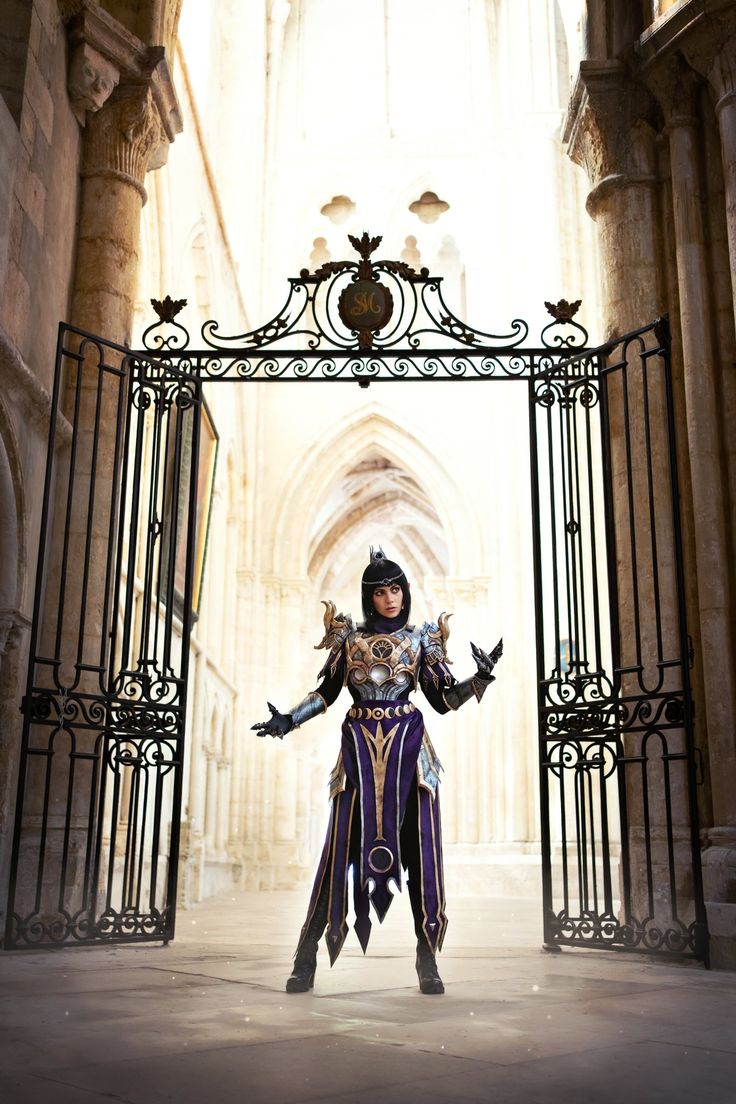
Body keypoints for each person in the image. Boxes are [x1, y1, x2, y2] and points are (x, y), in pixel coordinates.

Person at [252, 547, 502, 995]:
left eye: (397, 589)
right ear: (370, 596)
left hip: (413, 759)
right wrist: (288, 719)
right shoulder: (349, 640)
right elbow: (326, 693)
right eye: (383, 591)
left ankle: (427, 959)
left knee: (421, 855)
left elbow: (442, 700)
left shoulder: (421, 640)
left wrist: (477, 679)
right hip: (358, 758)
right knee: (338, 852)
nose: (392, 598)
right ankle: (305, 956)